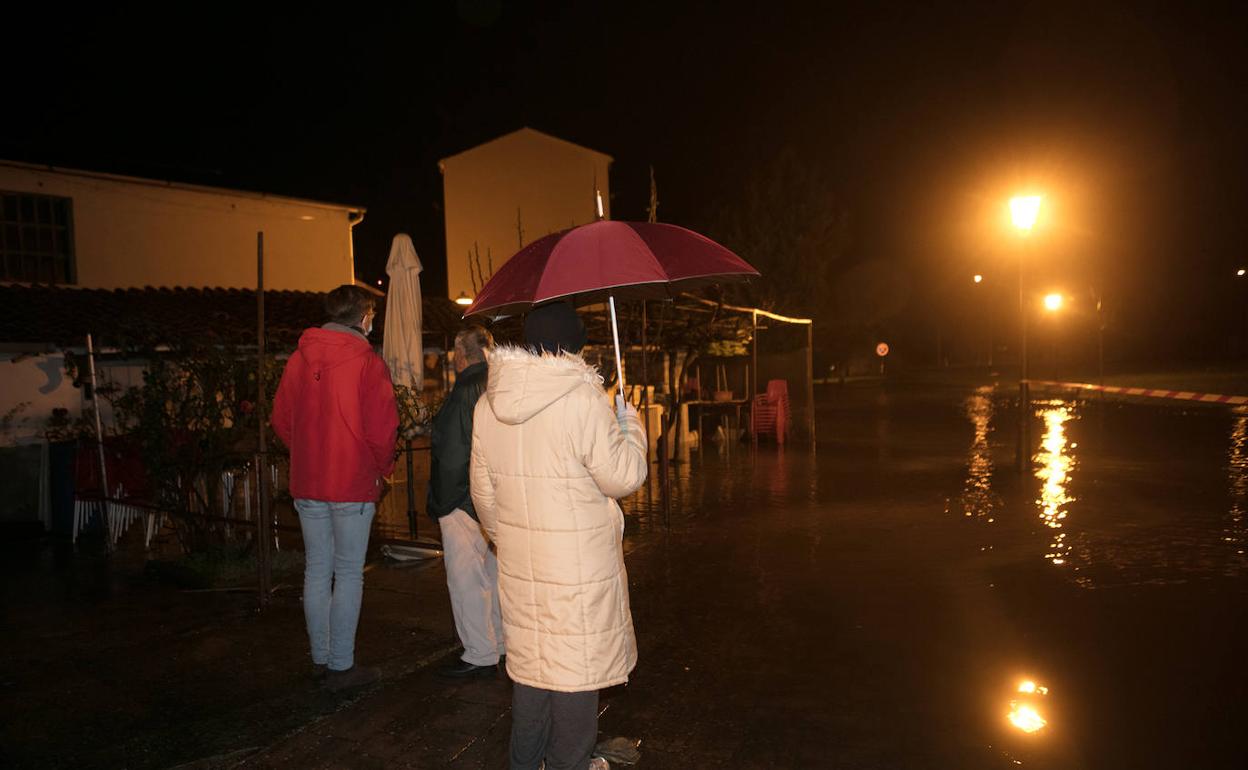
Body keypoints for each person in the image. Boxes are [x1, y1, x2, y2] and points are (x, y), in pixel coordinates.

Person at [470, 302, 648, 770]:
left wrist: (508, 538)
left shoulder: (488, 404)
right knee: (575, 671)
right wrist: (633, 427)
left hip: (521, 565)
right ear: (572, 346)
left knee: (532, 672)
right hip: (579, 569)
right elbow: (622, 477)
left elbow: (483, 496)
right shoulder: (582, 400)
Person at [271, 284, 398, 692]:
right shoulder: (367, 362)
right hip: (352, 482)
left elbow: (281, 420)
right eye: (372, 315)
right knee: (347, 574)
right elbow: (382, 431)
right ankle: (341, 666)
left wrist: (307, 452)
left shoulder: (298, 358)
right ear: (364, 317)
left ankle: (320, 658)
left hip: (309, 482)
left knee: (316, 570)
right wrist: (384, 469)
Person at [428, 325, 504, 677]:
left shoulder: (462, 393)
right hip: (498, 499)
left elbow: (453, 455)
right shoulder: (502, 387)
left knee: (466, 578)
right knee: (495, 574)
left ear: (461, 354)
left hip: (463, 500)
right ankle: (501, 643)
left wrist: (443, 504)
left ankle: (479, 651)